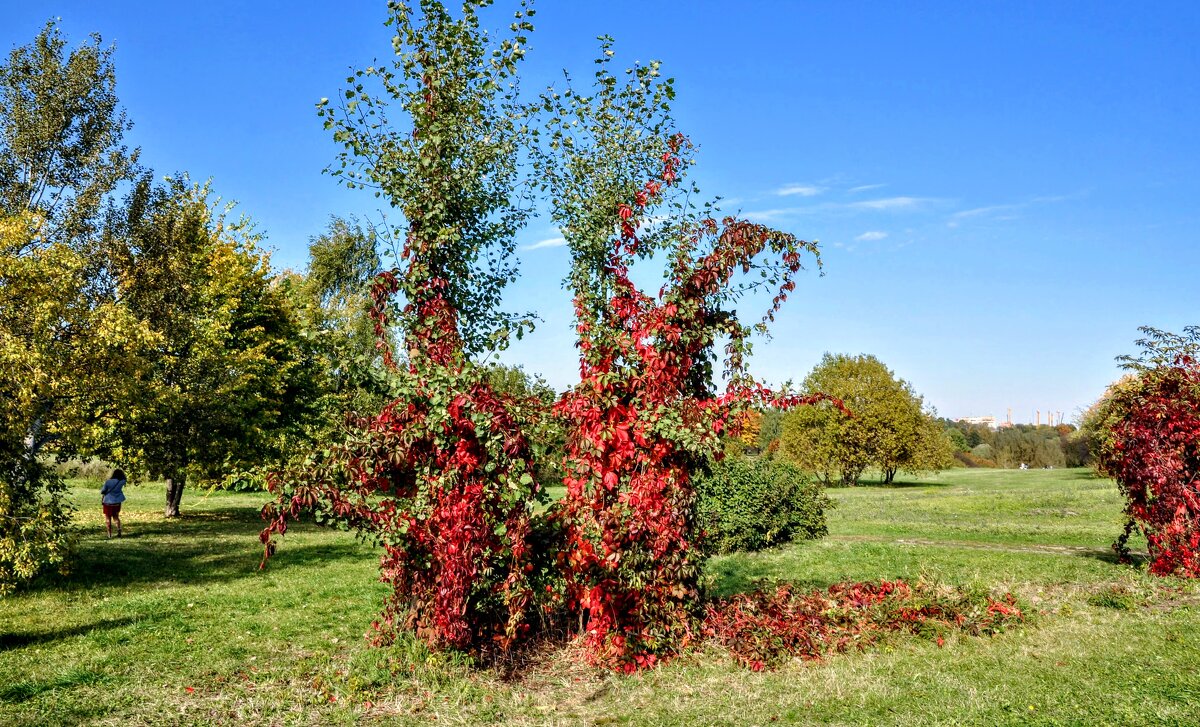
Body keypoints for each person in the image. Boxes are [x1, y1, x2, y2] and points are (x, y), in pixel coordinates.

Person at [100, 469, 127, 539]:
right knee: (116, 517)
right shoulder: (122, 482)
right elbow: (124, 480)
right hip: (117, 502)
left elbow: (103, 491)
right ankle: (119, 530)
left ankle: (109, 534)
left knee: (107, 517)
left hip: (108, 502)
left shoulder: (108, 482)